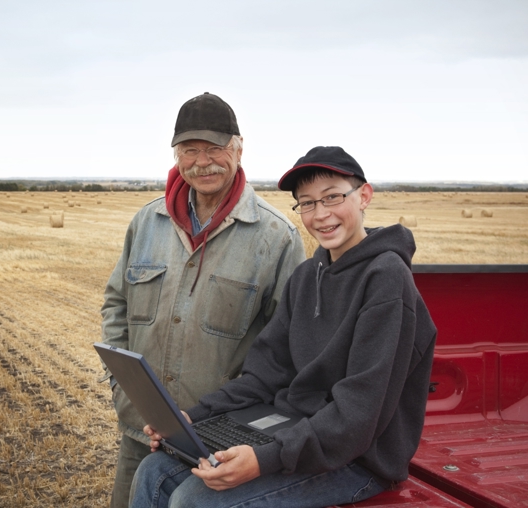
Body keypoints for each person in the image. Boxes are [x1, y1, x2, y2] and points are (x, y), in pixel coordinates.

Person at [130, 146, 437, 508]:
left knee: (196, 500)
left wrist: (265, 459)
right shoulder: (308, 275)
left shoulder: (386, 278)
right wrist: (190, 419)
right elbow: (265, 374)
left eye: (332, 198)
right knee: (154, 470)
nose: (320, 215)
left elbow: (358, 415)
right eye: (306, 203)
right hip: (295, 434)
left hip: (358, 460)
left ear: (364, 196)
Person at [100, 92, 306, 508]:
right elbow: (116, 303)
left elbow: (287, 345)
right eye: (190, 150)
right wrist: (123, 384)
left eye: (215, 148)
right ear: (176, 155)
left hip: (219, 436)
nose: (202, 161)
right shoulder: (146, 222)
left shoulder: (276, 237)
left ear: (239, 148)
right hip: (142, 427)